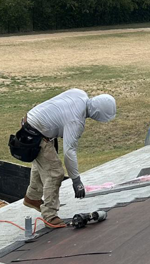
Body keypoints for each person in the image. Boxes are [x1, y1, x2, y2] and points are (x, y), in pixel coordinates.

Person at [16, 89, 116, 224]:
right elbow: (69, 152)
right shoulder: (76, 121)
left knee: (42, 163)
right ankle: (50, 215)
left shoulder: (79, 93)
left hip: (29, 121)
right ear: (98, 114)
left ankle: (32, 197)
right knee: (55, 173)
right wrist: (76, 181)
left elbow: (60, 110)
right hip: (36, 134)